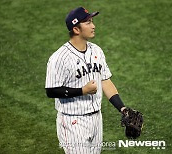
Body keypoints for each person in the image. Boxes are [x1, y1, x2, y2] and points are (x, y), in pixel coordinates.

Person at [45, 7, 126, 154]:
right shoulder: (59, 58)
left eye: (92, 21)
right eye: (88, 22)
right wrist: (83, 90)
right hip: (72, 121)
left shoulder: (96, 50)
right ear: (76, 29)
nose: (93, 26)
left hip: (96, 119)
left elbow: (105, 81)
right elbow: (51, 90)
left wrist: (122, 108)